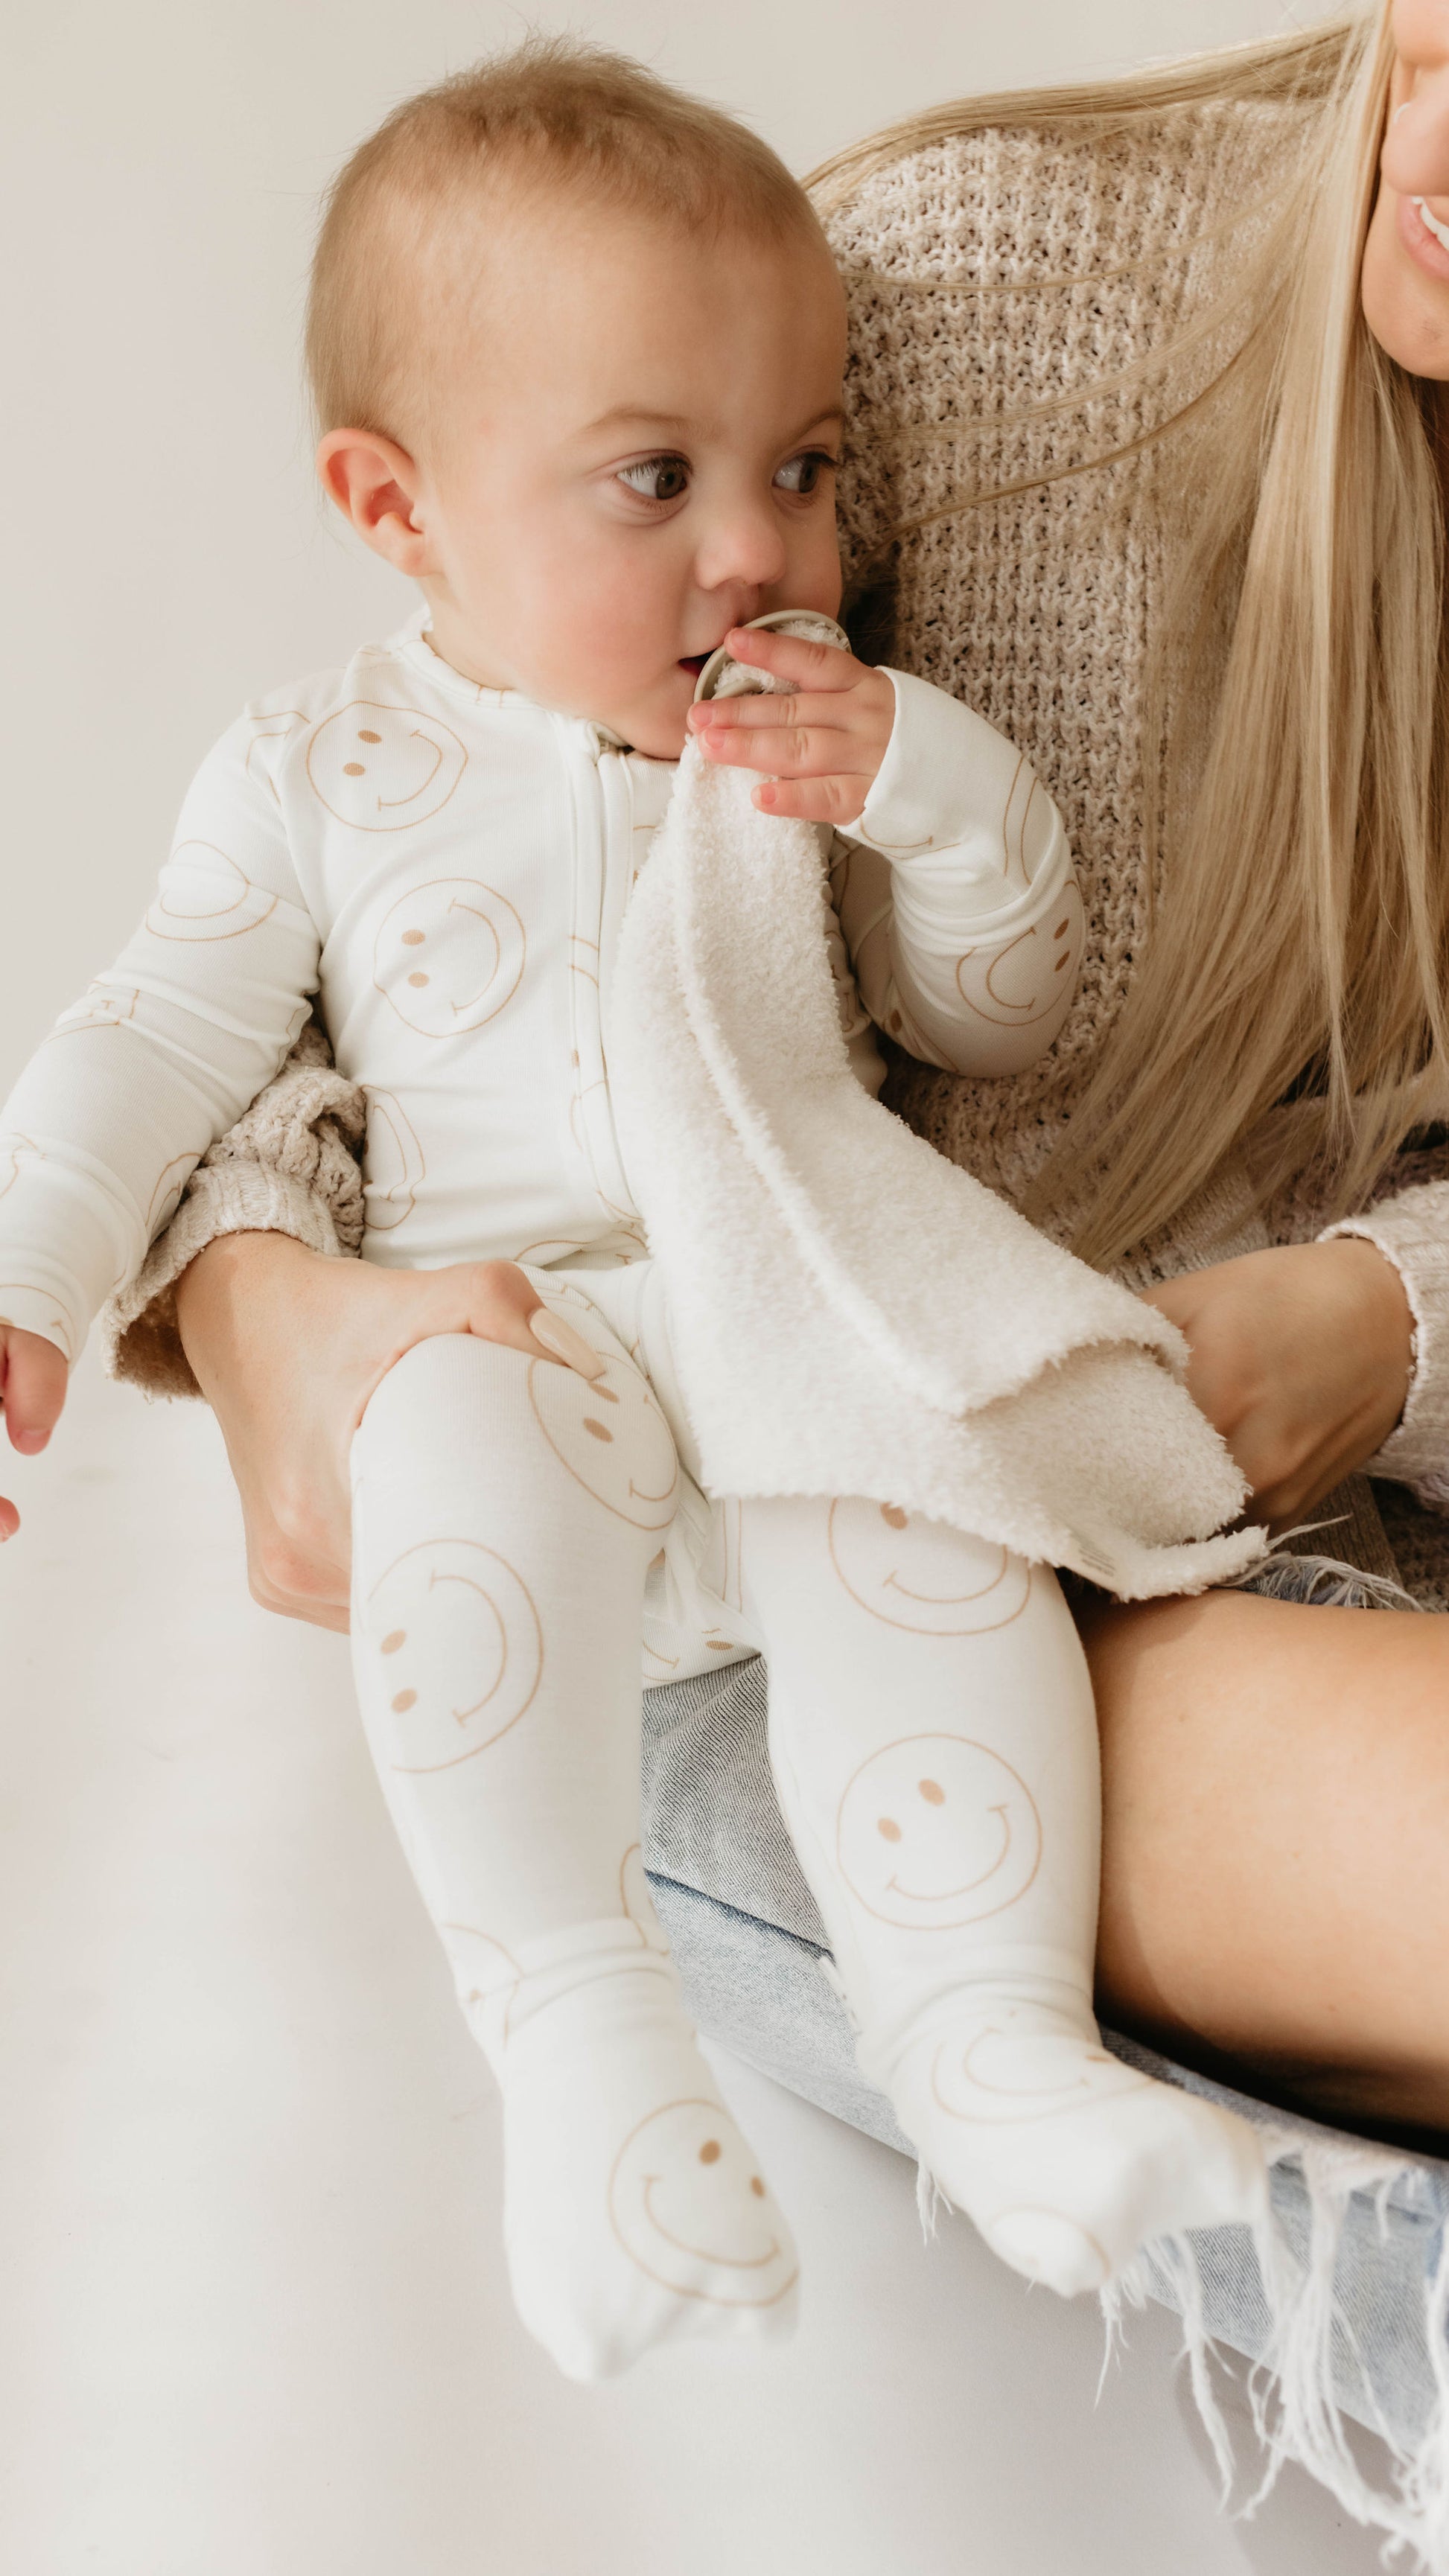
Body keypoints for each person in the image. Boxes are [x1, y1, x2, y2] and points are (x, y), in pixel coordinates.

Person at [4, 1, 1446, 2152]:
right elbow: (173, 1031)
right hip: (557, 1362)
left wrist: (929, 788)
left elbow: (981, 998)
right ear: (389, 508)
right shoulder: (328, 762)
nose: (757, 549)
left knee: (907, 1559)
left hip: (822, 1373)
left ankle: (997, 2053)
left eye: (798, 473)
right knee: (492, 1499)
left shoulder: (774, 766)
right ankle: (569, 2031)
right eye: (661, 483)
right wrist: (118, 1279)